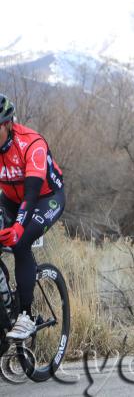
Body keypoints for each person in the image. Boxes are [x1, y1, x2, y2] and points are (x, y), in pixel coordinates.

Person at [0, 94, 65, 340]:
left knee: (20, 241)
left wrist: (18, 226)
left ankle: (25, 316)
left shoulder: (32, 143)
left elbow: (32, 191)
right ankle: (7, 308)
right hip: (10, 199)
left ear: (7, 124)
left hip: (45, 198)